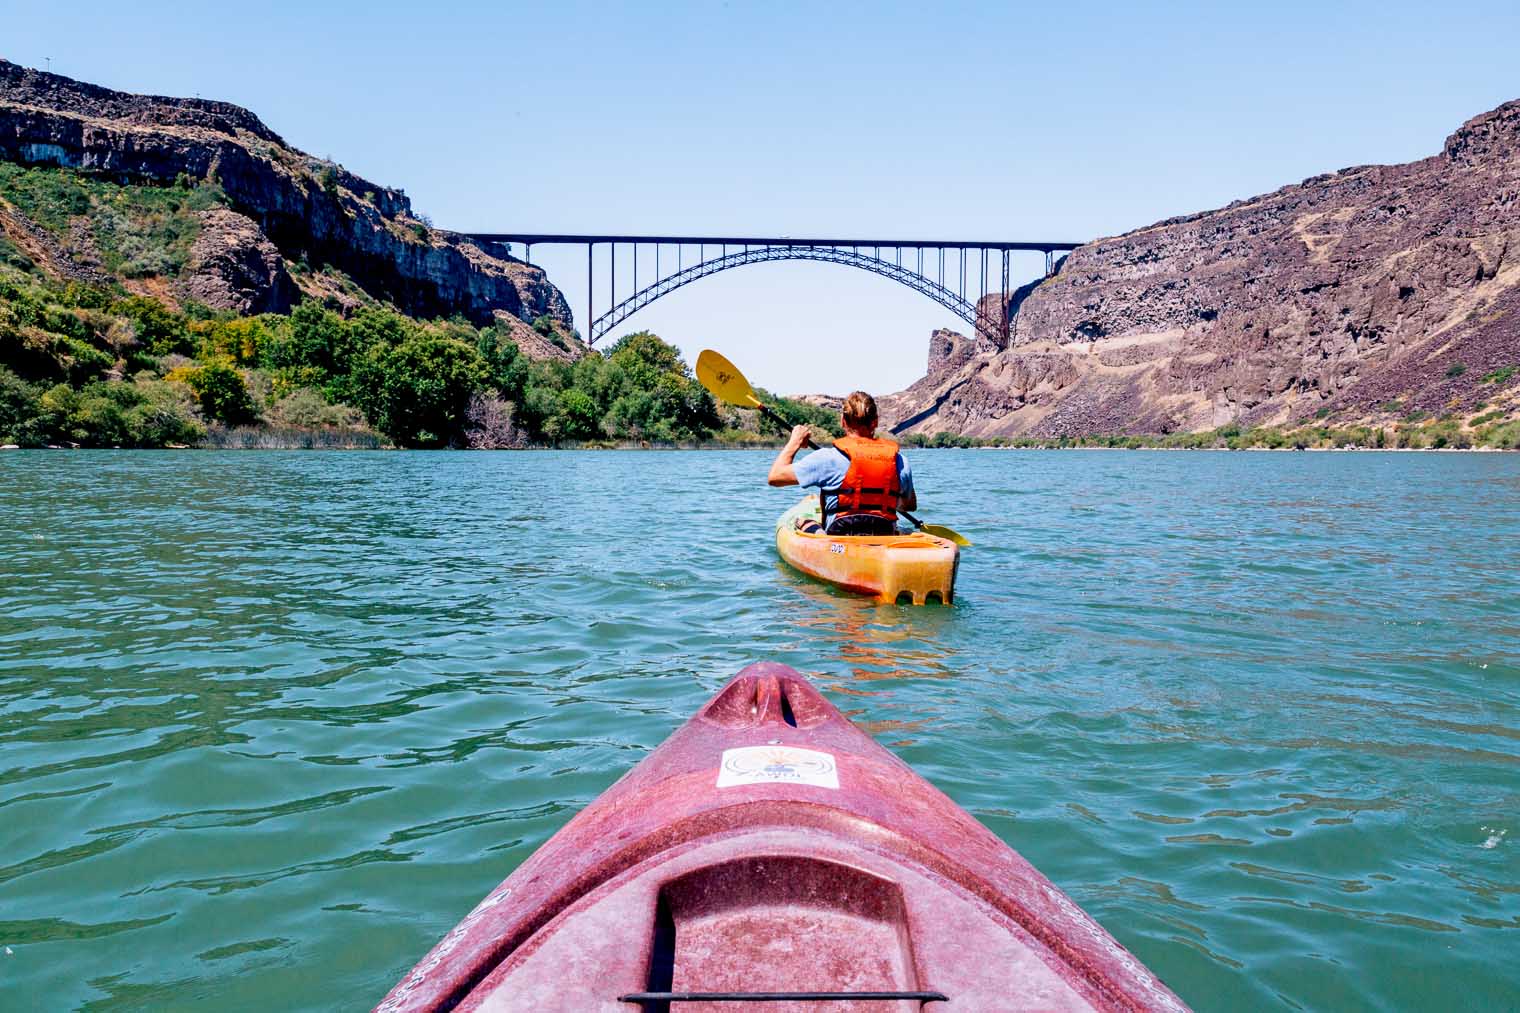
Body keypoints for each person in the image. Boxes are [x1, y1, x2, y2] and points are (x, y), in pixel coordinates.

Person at [767, 391, 916, 536]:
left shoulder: (826, 458)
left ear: (843, 421)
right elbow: (909, 506)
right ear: (875, 422)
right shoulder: (900, 461)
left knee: (802, 521)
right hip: (884, 536)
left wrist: (795, 442)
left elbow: (775, 477)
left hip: (838, 540)